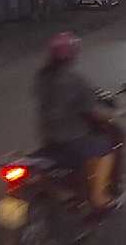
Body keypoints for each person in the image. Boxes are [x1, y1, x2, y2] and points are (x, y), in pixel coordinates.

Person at [34, 32, 120, 214]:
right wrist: (110, 117)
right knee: (106, 149)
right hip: (71, 141)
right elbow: (91, 111)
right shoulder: (74, 80)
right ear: (72, 54)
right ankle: (98, 197)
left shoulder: (42, 77)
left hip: (49, 139)